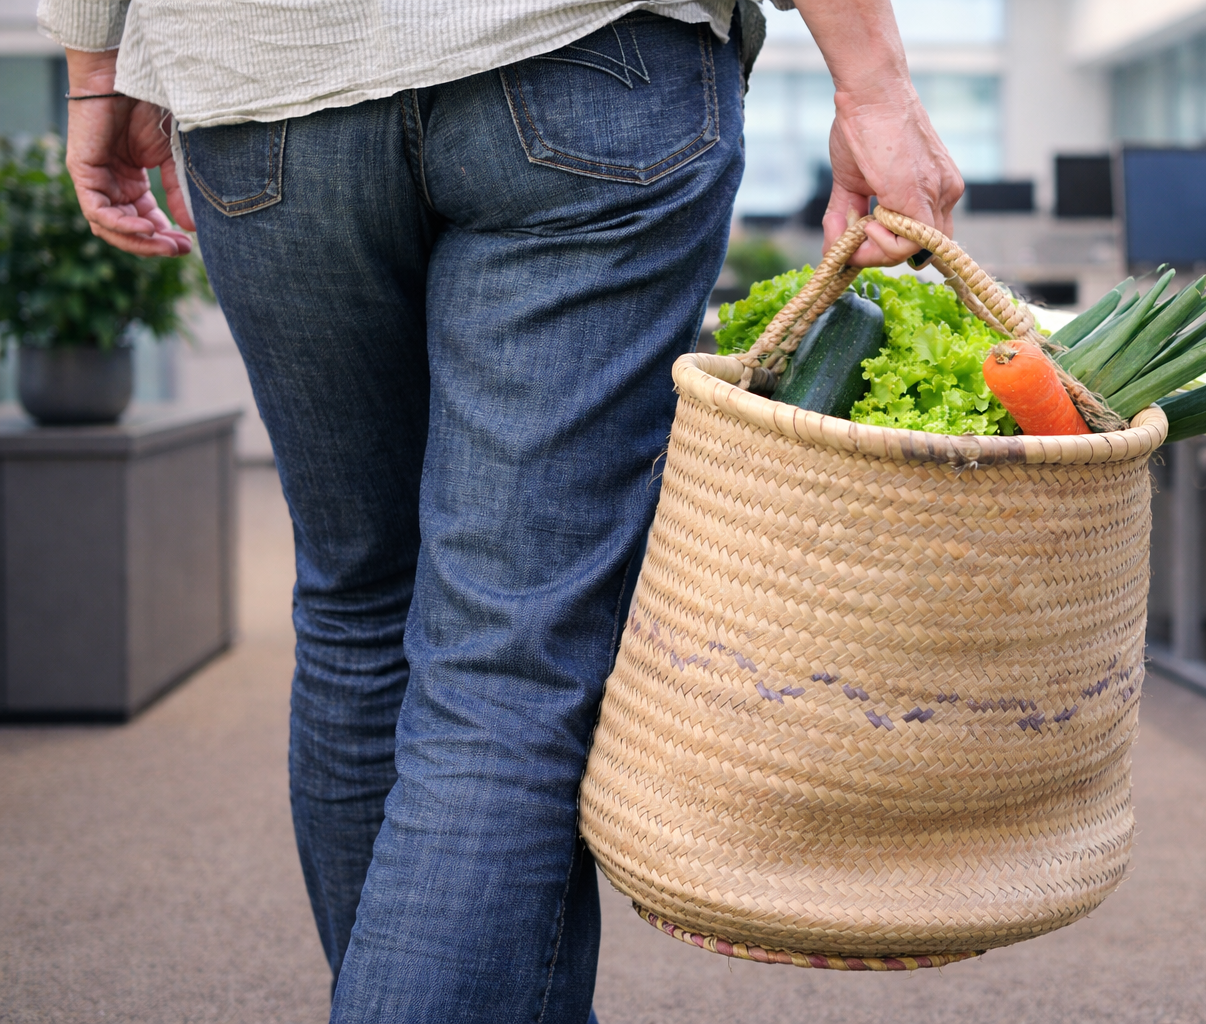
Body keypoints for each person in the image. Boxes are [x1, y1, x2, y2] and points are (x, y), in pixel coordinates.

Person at [43, 0, 963, 1019]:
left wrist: (98, 58)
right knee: (508, 657)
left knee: (359, 613)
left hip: (265, 83)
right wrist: (871, 83)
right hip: (583, 62)